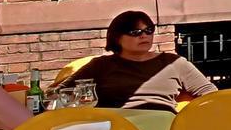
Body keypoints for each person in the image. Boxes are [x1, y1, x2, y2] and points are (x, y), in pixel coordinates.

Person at [80, 11, 218, 110]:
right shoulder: (100, 65)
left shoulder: (173, 62)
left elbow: (210, 93)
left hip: (164, 126)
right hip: (117, 125)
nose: (144, 36)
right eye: (135, 32)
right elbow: (64, 94)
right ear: (117, 37)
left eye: (149, 30)